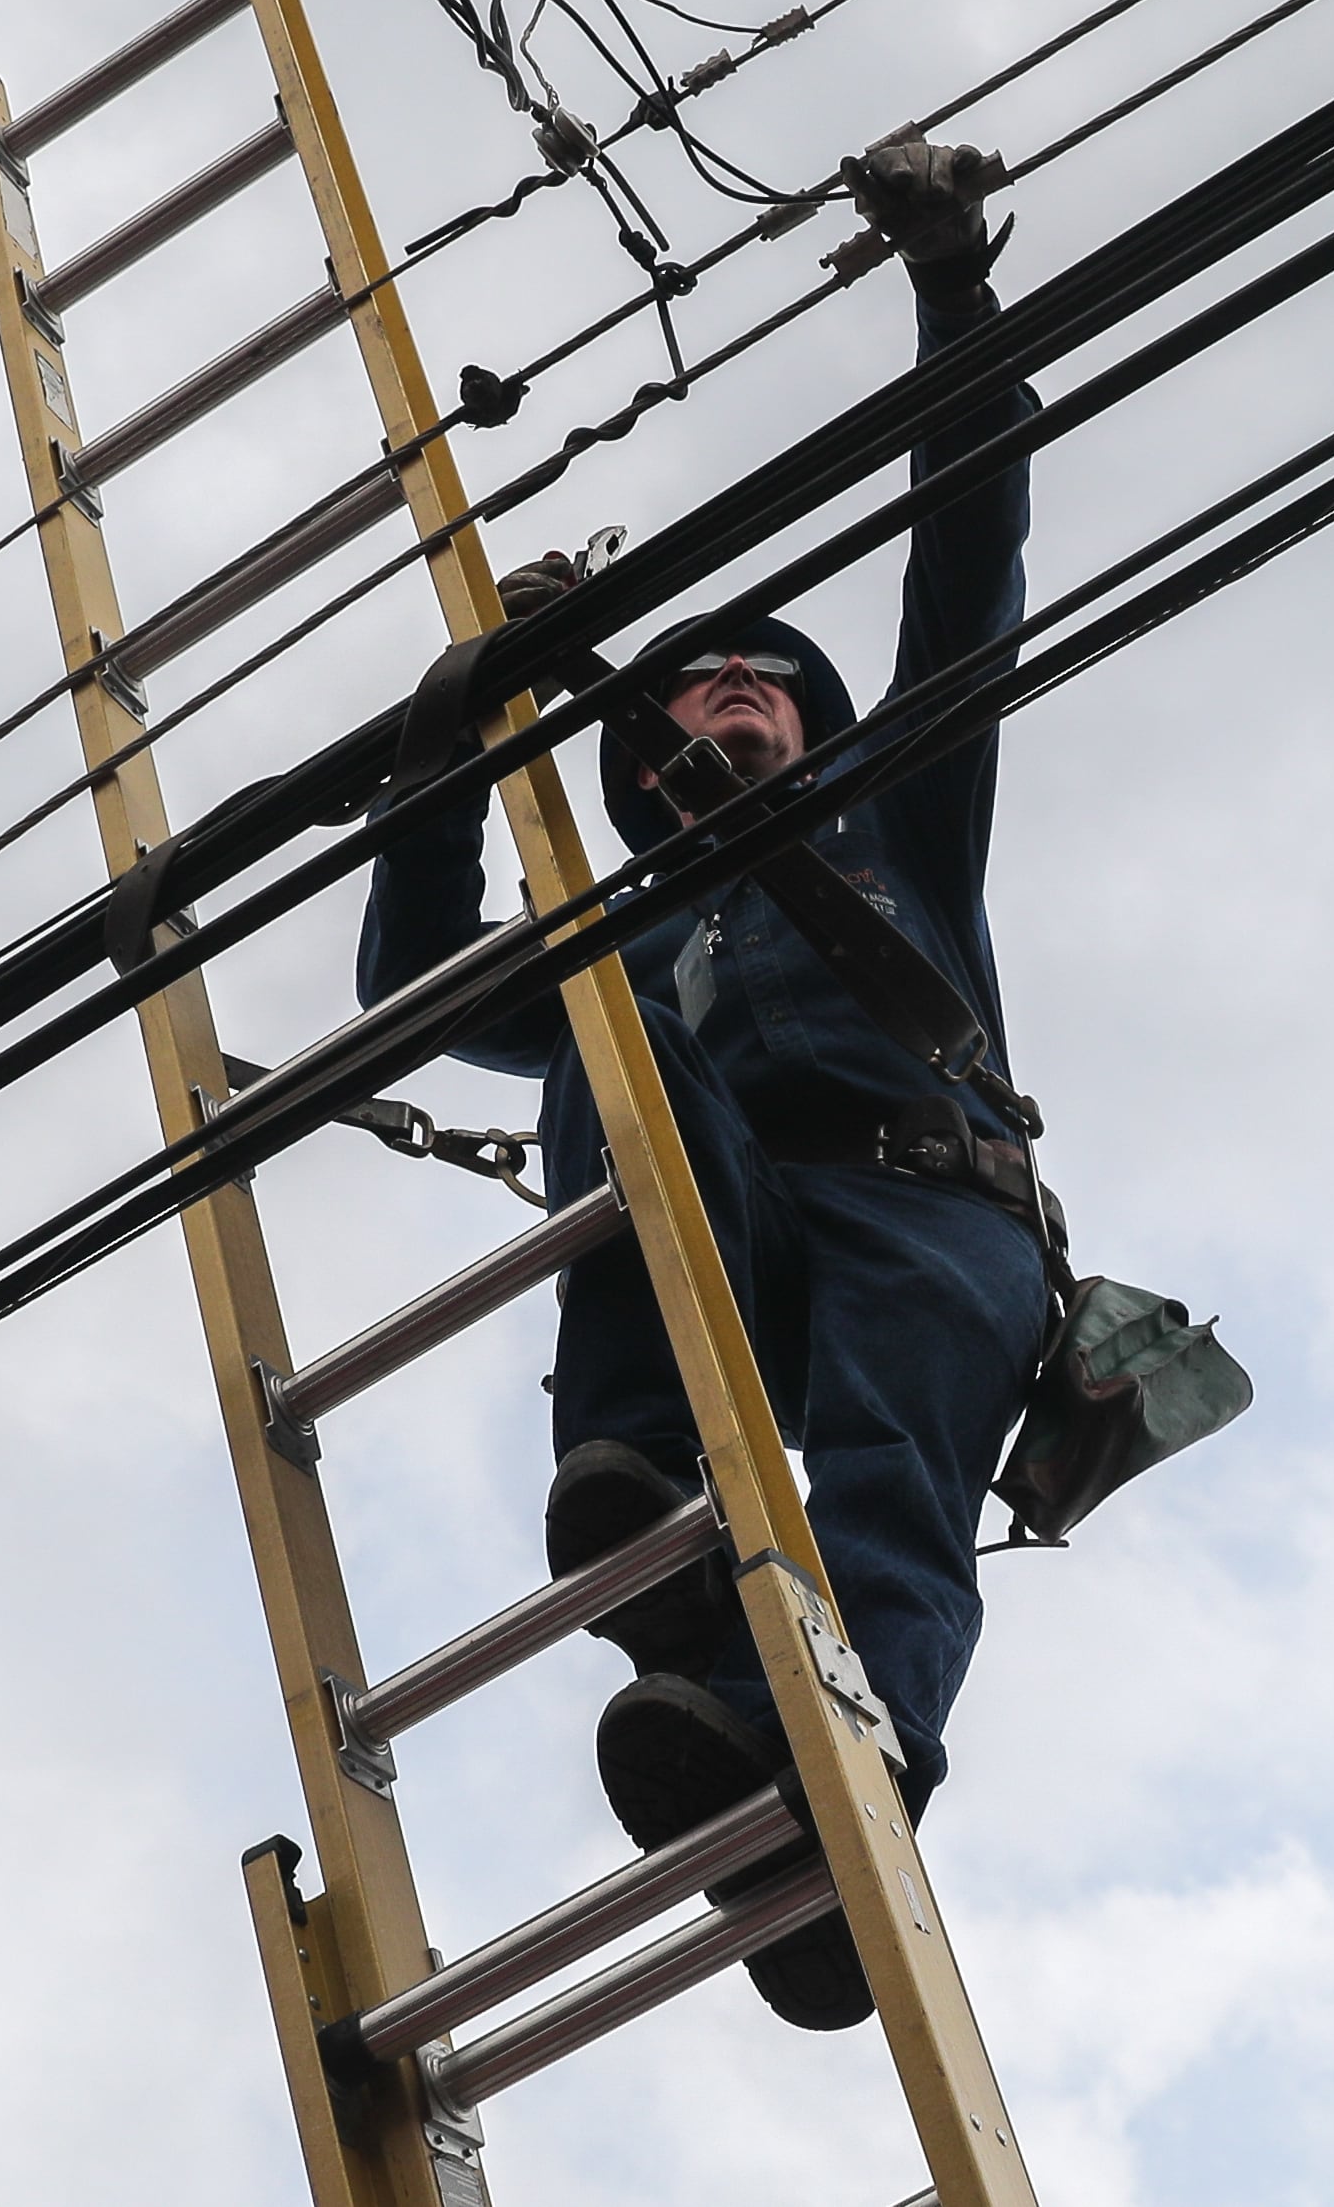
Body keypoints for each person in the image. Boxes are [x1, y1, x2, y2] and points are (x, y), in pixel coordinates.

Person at [355, 140, 1044, 2030]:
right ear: (642, 762)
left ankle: (831, 1788)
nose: (733, 690)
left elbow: (965, 570)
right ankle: (640, 1465)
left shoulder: (898, 827)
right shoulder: (625, 936)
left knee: (891, 1491)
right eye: (694, 684)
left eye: (765, 677)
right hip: (729, 1225)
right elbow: (409, 994)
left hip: (926, 1205)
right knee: (619, 1046)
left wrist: (950, 293)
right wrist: (438, 764)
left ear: (814, 728)